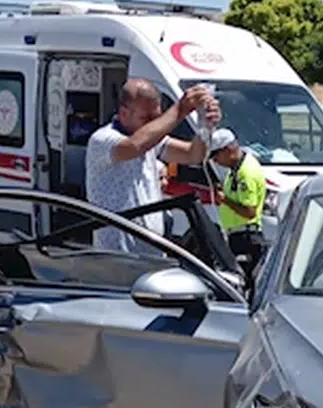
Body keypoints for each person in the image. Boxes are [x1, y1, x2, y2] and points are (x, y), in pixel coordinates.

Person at [84, 78, 216, 253]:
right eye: (146, 118)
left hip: (151, 249)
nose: (155, 125)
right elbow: (133, 147)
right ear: (124, 114)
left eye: (157, 118)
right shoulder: (103, 139)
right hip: (116, 254)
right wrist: (180, 109)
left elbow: (193, 155)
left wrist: (205, 126)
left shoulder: (152, 141)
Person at [208, 127, 267, 276]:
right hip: (238, 236)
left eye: (216, 155)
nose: (215, 160)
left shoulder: (245, 173)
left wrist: (225, 200)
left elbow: (249, 212)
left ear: (228, 150)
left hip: (246, 239)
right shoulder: (235, 169)